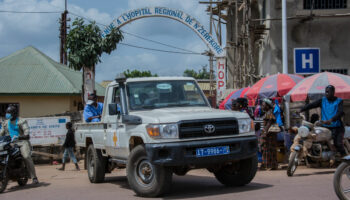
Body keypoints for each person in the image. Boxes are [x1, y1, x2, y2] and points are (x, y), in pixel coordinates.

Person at [299, 85, 346, 155]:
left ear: (333, 92)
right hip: (325, 127)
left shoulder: (339, 101)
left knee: (338, 144)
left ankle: (345, 159)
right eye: (326, 92)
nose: (326, 93)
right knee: (316, 139)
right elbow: (311, 105)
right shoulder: (323, 100)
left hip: (337, 127)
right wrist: (301, 109)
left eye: (328, 92)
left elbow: (340, 112)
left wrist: (331, 120)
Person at [0, 105, 39, 184]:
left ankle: (34, 177)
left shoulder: (21, 121)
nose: (7, 114)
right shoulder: (5, 123)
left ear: (14, 113)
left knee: (26, 156)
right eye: (7, 113)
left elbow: (26, 132)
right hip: (9, 143)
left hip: (21, 142)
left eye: (9, 113)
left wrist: (22, 136)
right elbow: (1, 133)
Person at [260, 98, 279, 170]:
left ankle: (268, 165)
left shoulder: (269, 112)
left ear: (267, 106)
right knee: (270, 149)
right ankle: (272, 165)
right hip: (270, 134)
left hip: (269, 134)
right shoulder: (268, 112)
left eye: (263, 105)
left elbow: (270, 122)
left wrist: (265, 132)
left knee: (268, 149)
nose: (262, 106)